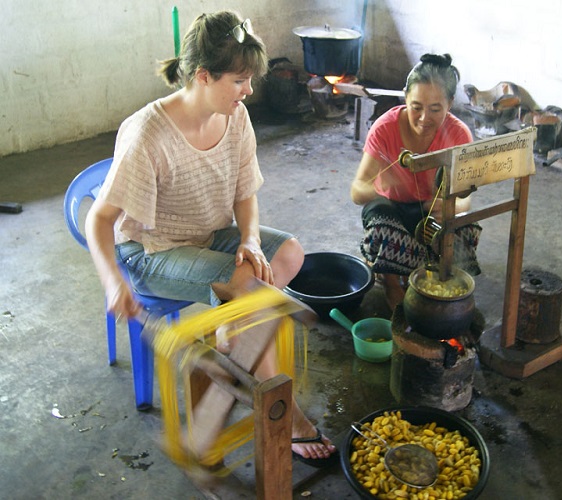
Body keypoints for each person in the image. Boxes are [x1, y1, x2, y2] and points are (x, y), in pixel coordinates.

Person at [84, 10, 337, 479]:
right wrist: (111, 281)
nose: (249, 91)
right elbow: (99, 220)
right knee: (249, 289)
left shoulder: (234, 116)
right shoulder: (148, 134)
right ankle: (286, 411)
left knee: (288, 255)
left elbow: (246, 192)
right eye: (240, 80)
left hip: (210, 232)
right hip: (153, 250)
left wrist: (251, 239)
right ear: (203, 76)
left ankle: (233, 343)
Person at [350, 53, 482, 310]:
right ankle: (390, 282)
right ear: (405, 98)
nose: (424, 118)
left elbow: (465, 196)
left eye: (435, 109)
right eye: (416, 107)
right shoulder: (385, 128)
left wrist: (452, 207)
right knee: (382, 222)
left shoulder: (458, 134)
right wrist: (383, 186)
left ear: (450, 103)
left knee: (463, 229)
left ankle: (435, 277)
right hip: (393, 210)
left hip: (430, 210)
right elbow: (357, 191)